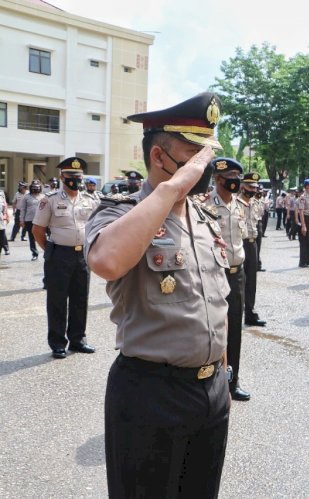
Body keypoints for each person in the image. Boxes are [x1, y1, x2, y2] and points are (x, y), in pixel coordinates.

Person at [85, 92, 232, 498]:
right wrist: (170, 191)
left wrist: (222, 378)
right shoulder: (119, 211)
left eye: (207, 154)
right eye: (194, 154)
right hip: (151, 394)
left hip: (210, 391)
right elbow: (108, 262)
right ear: (158, 156)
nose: (204, 165)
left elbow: (214, 303)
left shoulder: (205, 219)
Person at [32, 157, 97, 358]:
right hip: (59, 255)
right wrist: (51, 251)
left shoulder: (90, 199)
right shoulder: (49, 200)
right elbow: (37, 230)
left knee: (80, 299)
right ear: (62, 176)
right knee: (57, 300)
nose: (75, 180)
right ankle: (58, 343)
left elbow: (98, 226)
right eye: (70, 176)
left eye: (78, 176)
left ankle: (78, 340)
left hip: (82, 255)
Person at [203, 157, 251, 401]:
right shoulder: (204, 205)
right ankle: (213, 380)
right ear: (218, 179)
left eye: (237, 178)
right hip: (215, 274)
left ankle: (233, 381)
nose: (236, 182)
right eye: (231, 178)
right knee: (213, 328)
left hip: (237, 274)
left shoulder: (239, 205)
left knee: (235, 330)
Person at [239, 172, 267, 328]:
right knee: (238, 281)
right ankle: (234, 314)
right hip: (239, 244)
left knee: (252, 280)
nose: (253, 190)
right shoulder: (235, 203)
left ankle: (250, 313)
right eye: (250, 187)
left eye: (255, 187)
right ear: (242, 186)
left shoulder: (256, 204)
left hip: (252, 244)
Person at [22, 180, 44, 260]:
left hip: (41, 220)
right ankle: (34, 253)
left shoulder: (43, 197)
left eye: (37, 187)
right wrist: (22, 220)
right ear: (31, 188)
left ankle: (47, 252)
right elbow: (23, 209)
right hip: (29, 220)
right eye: (33, 187)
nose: (35, 189)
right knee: (31, 237)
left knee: (44, 236)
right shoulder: (26, 197)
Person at [297, 179, 309, 267]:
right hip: (305, 218)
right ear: (306, 186)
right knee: (304, 241)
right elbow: (301, 212)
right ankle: (302, 262)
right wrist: (303, 226)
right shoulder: (302, 197)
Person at [0, 190, 9, 256]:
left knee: (2, 234)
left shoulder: (1, 193)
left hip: (1, 218)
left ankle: (6, 248)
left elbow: (5, 204)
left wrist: (6, 215)